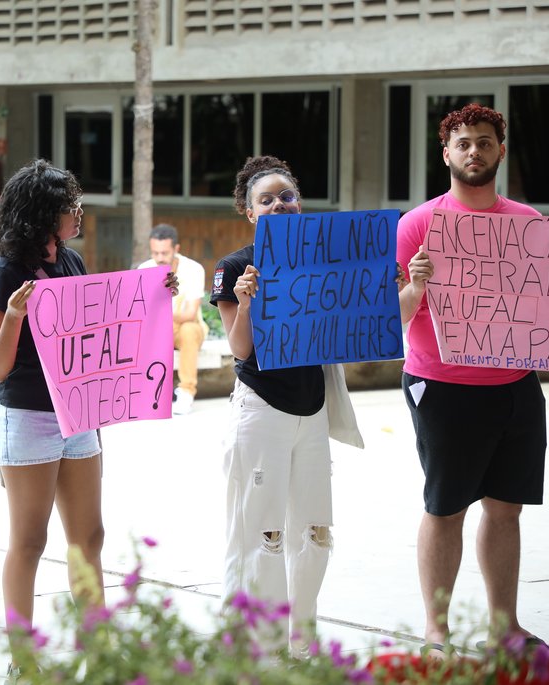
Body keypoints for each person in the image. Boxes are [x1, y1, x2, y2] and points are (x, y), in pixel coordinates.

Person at [0, 159, 175, 680]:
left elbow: (100, 333)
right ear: (45, 212)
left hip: (78, 414)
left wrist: (156, 301)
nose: (79, 213)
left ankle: (97, 649)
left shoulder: (70, 262)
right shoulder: (5, 272)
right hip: (26, 415)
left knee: (89, 536)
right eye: (71, 206)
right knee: (29, 540)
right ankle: (22, 657)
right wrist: (17, 316)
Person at [397, 104, 548, 657]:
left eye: (485, 142)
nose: (474, 152)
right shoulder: (417, 224)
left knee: (506, 508)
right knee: (446, 507)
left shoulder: (528, 223)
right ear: (446, 154)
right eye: (463, 143)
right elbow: (394, 314)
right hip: (443, 385)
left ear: (500, 151)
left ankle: (504, 628)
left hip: (516, 383)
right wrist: (416, 284)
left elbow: (547, 304)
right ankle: (436, 633)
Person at [209, 155, 336, 651]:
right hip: (262, 409)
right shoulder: (234, 267)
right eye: (267, 199)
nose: (280, 205)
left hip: (313, 411)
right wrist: (246, 302)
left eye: (287, 196)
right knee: (261, 535)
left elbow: (354, 330)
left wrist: (388, 287)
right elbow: (240, 349)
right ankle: (254, 647)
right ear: (249, 212)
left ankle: (302, 642)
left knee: (316, 531)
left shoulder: (323, 259)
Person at [138, 223, 208, 414]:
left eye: (164, 253)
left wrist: (159, 312)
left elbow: (190, 315)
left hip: (186, 329)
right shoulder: (144, 269)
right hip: (158, 330)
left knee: (189, 329)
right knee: (148, 333)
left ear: (176, 249)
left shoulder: (194, 269)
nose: (159, 258)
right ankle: (155, 391)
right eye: (155, 253)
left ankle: (185, 393)